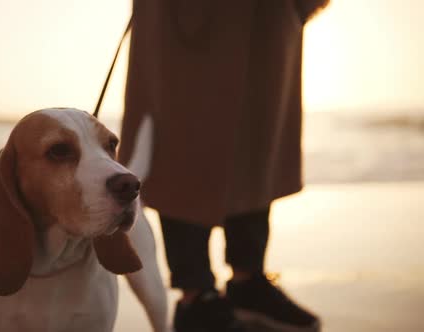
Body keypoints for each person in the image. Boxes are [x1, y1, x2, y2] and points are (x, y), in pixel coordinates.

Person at [118, 1, 330, 331]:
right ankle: (196, 296)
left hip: (269, 13)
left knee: (259, 132)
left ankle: (248, 280)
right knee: (182, 134)